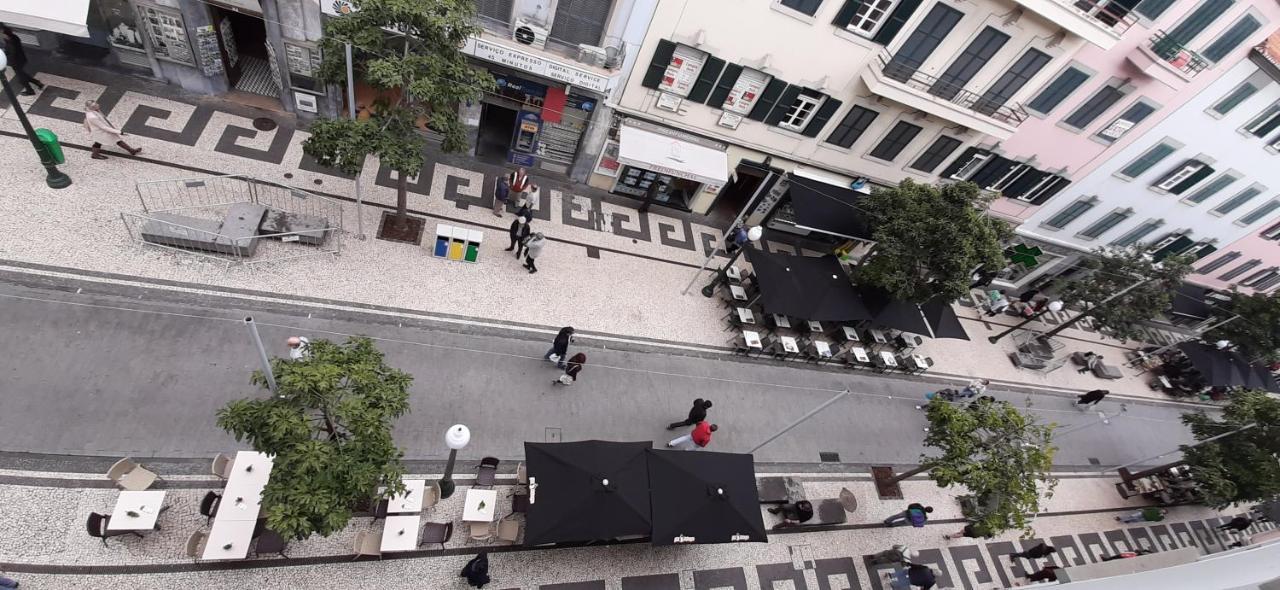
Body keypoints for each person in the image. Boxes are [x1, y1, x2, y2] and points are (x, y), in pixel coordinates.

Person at [2, 24, 43, 95]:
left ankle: (30, 91)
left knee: (21, 79)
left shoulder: (11, 41)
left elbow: (12, 53)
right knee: (22, 74)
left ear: (2, 31)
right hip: (19, 59)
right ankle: (37, 83)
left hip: (17, 61)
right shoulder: (11, 38)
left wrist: (4, 56)